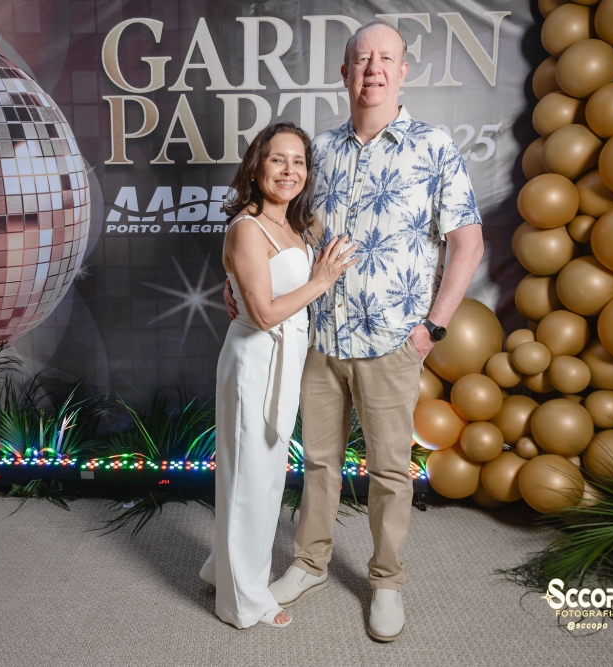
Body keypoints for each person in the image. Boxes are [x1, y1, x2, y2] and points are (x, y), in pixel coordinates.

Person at [224, 20, 484, 641]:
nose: (374, 69)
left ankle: (386, 581)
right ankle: (310, 562)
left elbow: (468, 243)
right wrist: (234, 276)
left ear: (403, 71)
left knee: (390, 471)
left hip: (392, 340)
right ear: (344, 73)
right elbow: (274, 223)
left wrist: (433, 328)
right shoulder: (318, 150)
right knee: (319, 461)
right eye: (362, 59)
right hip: (318, 337)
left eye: (386, 58)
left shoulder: (433, 146)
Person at [199, 122, 357, 629]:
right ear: (256, 167)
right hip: (255, 362)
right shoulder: (247, 228)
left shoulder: (298, 225)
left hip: (287, 361)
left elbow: (261, 286)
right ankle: (243, 602)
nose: (289, 171)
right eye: (277, 159)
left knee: (265, 479)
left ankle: (224, 571)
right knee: (250, 481)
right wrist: (321, 281)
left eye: (299, 162)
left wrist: (235, 283)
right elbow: (265, 314)